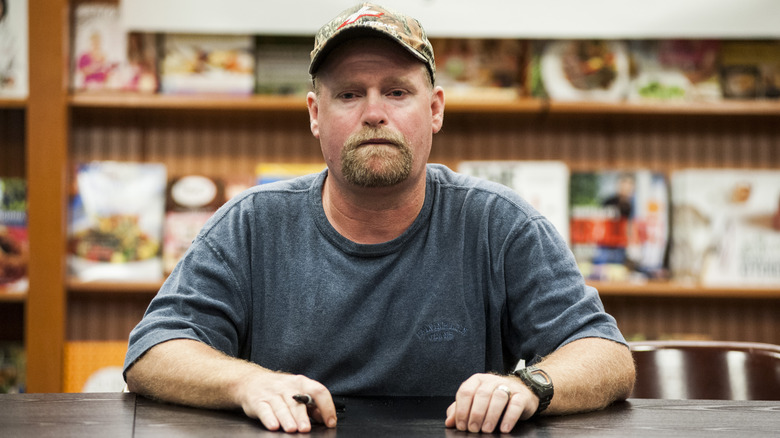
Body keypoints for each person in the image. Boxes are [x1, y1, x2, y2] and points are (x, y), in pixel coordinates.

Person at [124, 3, 635, 434]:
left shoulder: (498, 223)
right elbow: (153, 350)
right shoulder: (252, 224)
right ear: (314, 114)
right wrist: (247, 382)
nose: (373, 113)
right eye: (349, 94)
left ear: (434, 109)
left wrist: (529, 386)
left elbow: (606, 356)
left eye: (396, 91)